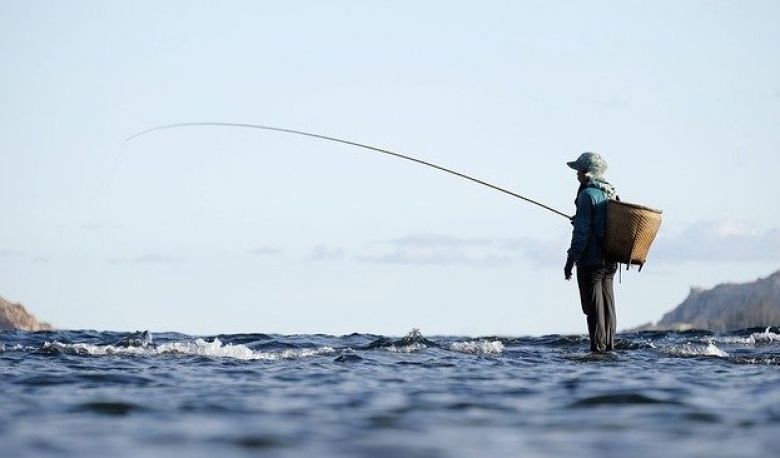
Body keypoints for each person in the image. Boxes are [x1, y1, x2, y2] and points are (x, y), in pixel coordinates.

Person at [563, 152, 618, 353]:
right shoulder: (610, 193)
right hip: (610, 260)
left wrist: (570, 260)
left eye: (578, 170)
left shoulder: (586, 195)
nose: (576, 174)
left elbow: (581, 234)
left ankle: (597, 351)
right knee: (608, 307)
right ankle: (610, 349)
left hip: (591, 261)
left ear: (587, 174)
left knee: (593, 310)